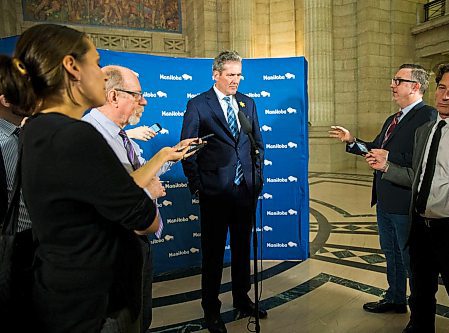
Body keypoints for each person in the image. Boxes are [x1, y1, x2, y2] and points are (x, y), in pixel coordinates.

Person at [1, 23, 187, 333]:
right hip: (92, 307)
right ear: (72, 67)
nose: (102, 73)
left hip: (60, 296)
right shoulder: (76, 136)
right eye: (97, 62)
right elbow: (146, 219)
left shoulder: (35, 128)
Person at [367, 60, 449, 333]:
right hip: (420, 228)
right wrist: (388, 168)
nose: (445, 95)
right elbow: (417, 178)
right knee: (420, 297)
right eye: (441, 88)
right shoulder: (423, 131)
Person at [83, 65, 197, 333]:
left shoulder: (124, 139)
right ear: (113, 97)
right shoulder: (88, 136)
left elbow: (144, 173)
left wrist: (171, 156)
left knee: (139, 318)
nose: (143, 101)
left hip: (137, 243)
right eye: (137, 95)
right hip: (111, 251)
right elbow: (110, 200)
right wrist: (150, 192)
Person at [329, 64, 436, 315]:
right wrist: (353, 142)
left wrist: (391, 157)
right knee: (392, 253)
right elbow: (375, 148)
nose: (392, 85)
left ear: (415, 86)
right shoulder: (393, 119)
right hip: (385, 199)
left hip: (405, 200)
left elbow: (423, 158)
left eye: (398, 80)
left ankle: (421, 314)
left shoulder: (427, 115)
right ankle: (395, 298)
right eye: (393, 80)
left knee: (411, 260)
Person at [180, 50, 266, 333]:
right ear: (215, 74)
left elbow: (257, 145)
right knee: (214, 254)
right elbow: (188, 150)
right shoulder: (198, 105)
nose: (236, 80)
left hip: (245, 192)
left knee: (242, 250)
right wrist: (198, 186)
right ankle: (211, 309)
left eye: (239, 74)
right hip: (214, 194)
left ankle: (242, 299)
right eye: (230, 74)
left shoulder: (247, 104)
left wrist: (256, 179)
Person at [0, 56, 34, 328]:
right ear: (5, 100)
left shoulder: (28, 135)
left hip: (35, 253)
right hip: (10, 256)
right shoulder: (3, 145)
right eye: (25, 88)